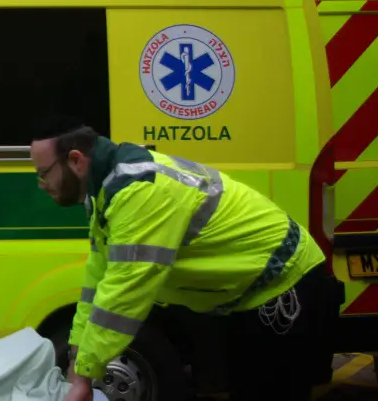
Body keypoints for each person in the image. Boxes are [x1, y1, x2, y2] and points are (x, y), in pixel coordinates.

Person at [30, 118, 342, 401]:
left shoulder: (138, 193)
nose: (41, 184)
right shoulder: (106, 192)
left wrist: (85, 375)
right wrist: (76, 355)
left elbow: (123, 293)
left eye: (44, 173)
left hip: (286, 281)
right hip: (250, 294)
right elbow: (96, 284)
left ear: (75, 160)